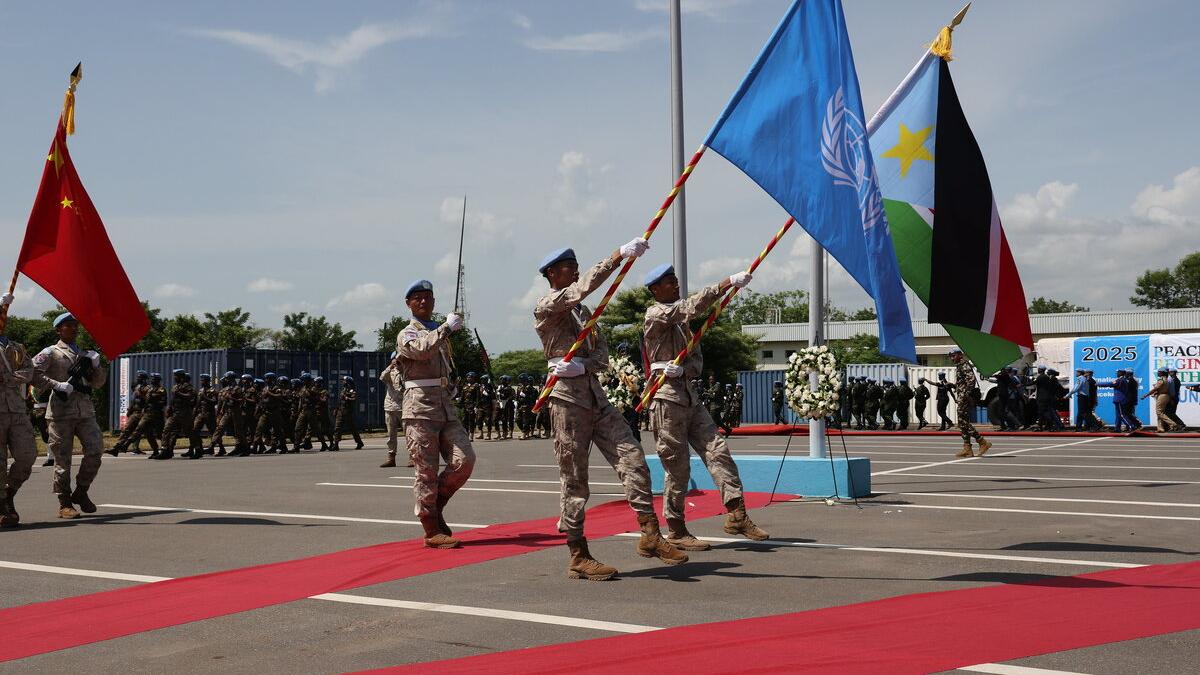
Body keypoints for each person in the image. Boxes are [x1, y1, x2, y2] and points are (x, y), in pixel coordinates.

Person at [535, 243, 686, 580]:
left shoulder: (584, 313)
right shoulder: (548, 305)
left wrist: (582, 364)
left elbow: (602, 357)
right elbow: (582, 287)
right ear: (551, 274)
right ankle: (578, 554)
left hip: (594, 396)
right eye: (568, 266)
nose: (575, 270)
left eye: (576, 264)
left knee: (632, 456)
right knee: (574, 479)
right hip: (567, 402)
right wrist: (619, 256)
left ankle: (650, 533)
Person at [642, 263, 767, 552]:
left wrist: (683, 371)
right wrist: (725, 284)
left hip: (688, 396)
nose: (675, 285)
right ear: (655, 290)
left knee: (718, 450)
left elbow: (696, 362)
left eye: (675, 280)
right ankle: (675, 529)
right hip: (665, 399)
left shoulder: (684, 326)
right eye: (669, 282)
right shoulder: (655, 313)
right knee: (678, 467)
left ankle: (737, 514)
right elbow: (689, 308)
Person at [395, 279, 475, 548]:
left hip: (444, 405)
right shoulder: (408, 333)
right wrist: (445, 328)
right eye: (417, 297)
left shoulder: (438, 333)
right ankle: (430, 529)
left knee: (464, 460)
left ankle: (437, 506)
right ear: (408, 303)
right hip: (419, 408)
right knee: (426, 470)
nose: (424, 301)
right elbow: (420, 350)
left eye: (428, 297)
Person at [31, 313, 108, 519]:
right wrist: (56, 384)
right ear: (58, 330)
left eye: (75, 325)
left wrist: (96, 366)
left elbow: (98, 383)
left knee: (95, 450)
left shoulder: (85, 354)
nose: (74, 329)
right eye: (68, 325)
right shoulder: (50, 352)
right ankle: (64, 503)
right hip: (60, 413)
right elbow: (32, 372)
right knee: (63, 460)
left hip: (84, 410)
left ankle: (81, 491)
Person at [0, 298, 37, 528]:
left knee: (27, 456)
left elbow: (29, 370)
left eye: (2, 315)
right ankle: (4, 505)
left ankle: (9, 493)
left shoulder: (16, 348)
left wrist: (6, 378)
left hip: (16, 409)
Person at [949, 348, 991, 458]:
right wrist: (953, 386)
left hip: (965, 398)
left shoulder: (964, 365)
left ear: (960, 355)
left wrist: (964, 395)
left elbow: (971, 381)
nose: (952, 358)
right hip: (963, 396)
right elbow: (963, 383)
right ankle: (967, 448)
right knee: (962, 422)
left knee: (962, 422)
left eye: (954, 355)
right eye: (951, 356)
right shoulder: (960, 366)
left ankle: (982, 442)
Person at [109, 371, 149, 456]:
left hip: (143, 413)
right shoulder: (136, 387)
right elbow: (133, 401)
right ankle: (116, 448)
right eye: (138, 377)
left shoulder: (147, 388)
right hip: (135, 413)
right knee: (126, 430)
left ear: (144, 379)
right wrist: (129, 410)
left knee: (142, 432)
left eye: (140, 377)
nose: (138, 379)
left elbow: (147, 400)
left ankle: (160, 449)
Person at [161, 370, 197, 460]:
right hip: (175, 413)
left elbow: (190, 396)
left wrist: (179, 393)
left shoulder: (187, 386)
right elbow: (173, 399)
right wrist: (169, 408)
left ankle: (198, 449)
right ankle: (165, 450)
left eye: (176, 376)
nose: (174, 378)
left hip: (185, 413)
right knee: (167, 429)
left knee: (189, 432)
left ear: (180, 377)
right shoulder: (175, 386)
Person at [380, 353, 406, 466]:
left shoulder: (407, 371)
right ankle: (391, 457)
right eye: (395, 359)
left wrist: (402, 367)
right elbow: (382, 377)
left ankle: (413, 456)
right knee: (391, 435)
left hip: (403, 407)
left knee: (409, 434)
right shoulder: (390, 372)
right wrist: (390, 366)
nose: (397, 361)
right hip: (390, 406)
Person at [1141, 369, 1181, 433]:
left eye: (1159, 372)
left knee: (1159, 412)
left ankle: (1173, 424)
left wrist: (1145, 395)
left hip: (1162, 396)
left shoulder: (1161, 380)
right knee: (1160, 413)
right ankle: (1160, 428)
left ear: (1162, 373)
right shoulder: (1168, 379)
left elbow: (1155, 389)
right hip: (1165, 396)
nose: (1158, 373)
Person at [333, 375, 363, 450]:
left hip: (347, 411)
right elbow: (340, 400)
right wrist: (336, 409)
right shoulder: (343, 389)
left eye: (344, 380)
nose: (342, 382)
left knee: (352, 428)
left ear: (347, 382)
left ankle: (359, 442)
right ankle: (336, 445)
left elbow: (354, 399)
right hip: (340, 411)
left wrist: (347, 398)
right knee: (337, 427)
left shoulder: (351, 390)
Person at [192, 373, 218, 456]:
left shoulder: (212, 391)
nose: (201, 382)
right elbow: (198, 403)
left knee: (213, 432)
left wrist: (205, 397)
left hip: (209, 414)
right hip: (201, 413)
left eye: (203, 380)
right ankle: (199, 448)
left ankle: (219, 448)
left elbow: (215, 401)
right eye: (201, 380)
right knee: (194, 430)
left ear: (207, 381)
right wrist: (195, 412)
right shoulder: (200, 390)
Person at [496, 375, 515, 440]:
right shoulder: (499, 388)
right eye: (501, 380)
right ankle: (502, 433)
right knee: (501, 419)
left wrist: (506, 398)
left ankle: (509, 433)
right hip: (501, 405)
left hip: (509, 405)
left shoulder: (510, 388)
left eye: (503, 380)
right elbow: (497, 396)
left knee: (510, 419)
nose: (502, 381)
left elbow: (513, 396)